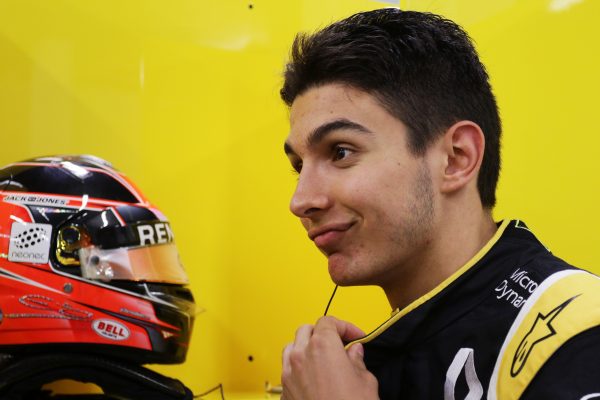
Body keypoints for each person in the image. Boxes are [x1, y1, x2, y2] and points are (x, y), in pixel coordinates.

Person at [278, 8, 600, 400]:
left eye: (341, 152)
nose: (301, 201)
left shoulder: (580, 340)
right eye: (298, 166)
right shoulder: (366, 366)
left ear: (456, 158)